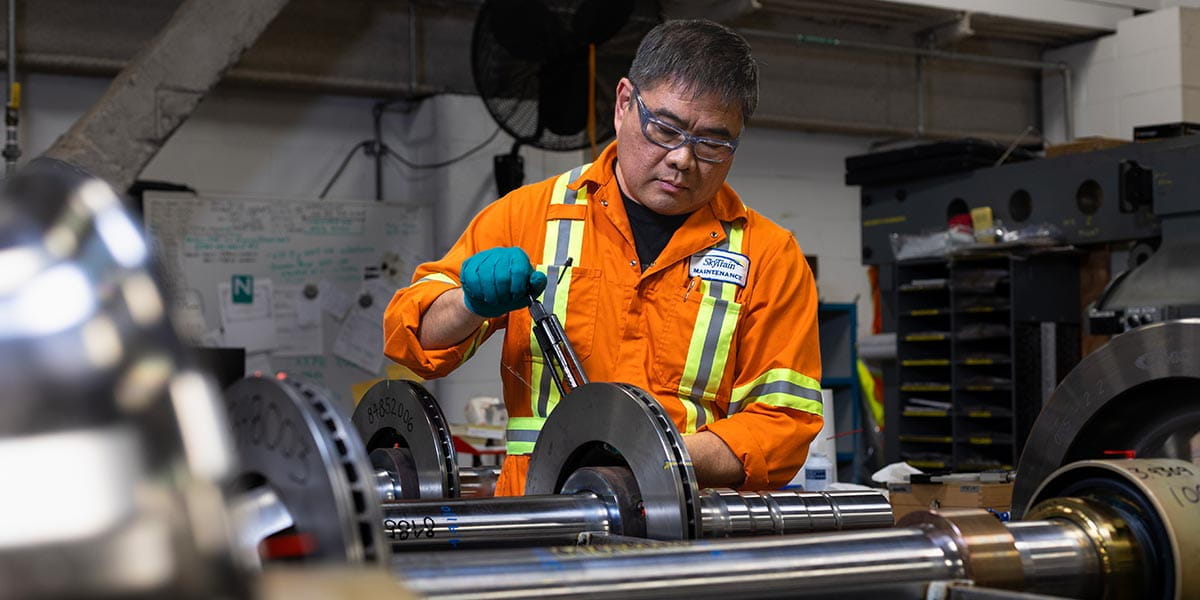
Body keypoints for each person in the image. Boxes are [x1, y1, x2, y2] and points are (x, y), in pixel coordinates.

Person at [385, 19, 823, 496]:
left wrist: (649, 456)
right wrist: (469, 303)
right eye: (666, 129)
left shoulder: (769, 256)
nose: (683, 159)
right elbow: (413, 340)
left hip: (682, 524)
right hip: (537, 521)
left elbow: (783, 425)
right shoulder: (527, 217)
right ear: (623, 104)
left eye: (713, 144)